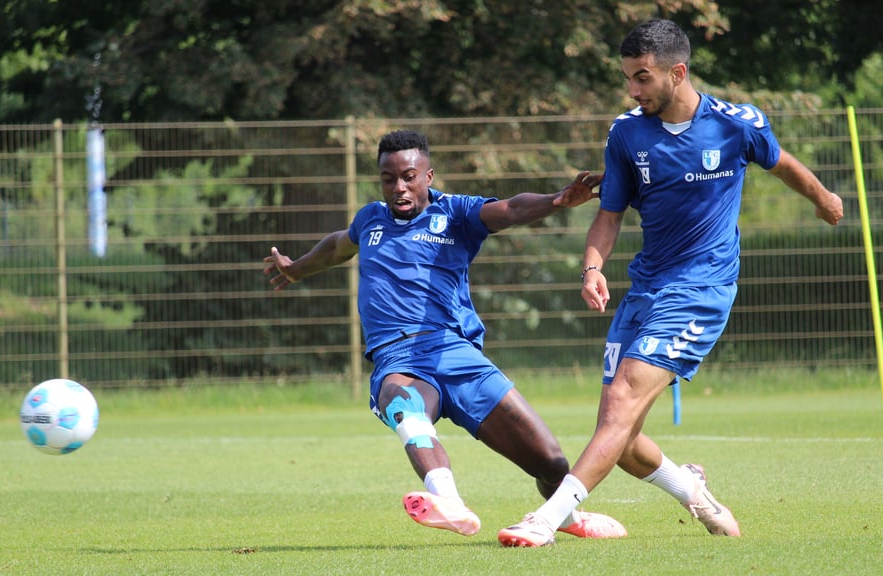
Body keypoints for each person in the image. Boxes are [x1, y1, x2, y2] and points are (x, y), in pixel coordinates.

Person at [498, 19, 845, 547]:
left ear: (677, 73)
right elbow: (610, 214)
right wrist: (592, 268)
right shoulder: (626, 133)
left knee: (620, 405)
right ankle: (695, 493)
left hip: (701, 290)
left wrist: (824, 199)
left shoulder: (737, 124)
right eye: (627, 78)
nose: (632, 90)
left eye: (642, 78)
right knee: (621, 437)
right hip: (645, 290)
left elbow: (781, 164)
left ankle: (546, 520)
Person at [263, 129, 627, 540]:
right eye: (388, 179)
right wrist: (297, 269)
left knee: (552, 464)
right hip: (399, 357)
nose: (399, 187)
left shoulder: (455, 213)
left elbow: (510, 209)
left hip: (456, 353)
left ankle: (568, 517)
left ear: (428, 176)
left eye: (409, 177)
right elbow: (337, 247)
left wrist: (556, 200)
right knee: (402, 404)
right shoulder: (369, 219)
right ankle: (449, 503)